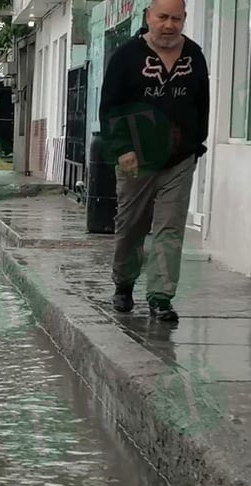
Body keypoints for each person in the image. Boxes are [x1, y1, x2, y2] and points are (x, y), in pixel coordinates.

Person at [99, 0, 209, 322]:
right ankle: (124, 282)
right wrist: (122, 149)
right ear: (148, 16)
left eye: (176, 18)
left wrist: (196, 145)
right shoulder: (126, 58)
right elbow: (109, 109)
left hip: (179, 160)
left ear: (184, 19)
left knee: (170, 229)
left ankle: (161, 297)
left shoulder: (195, 56)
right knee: (132, 227)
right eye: (162, 17)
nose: (169, 25)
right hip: (136, 162)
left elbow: (202, 103)